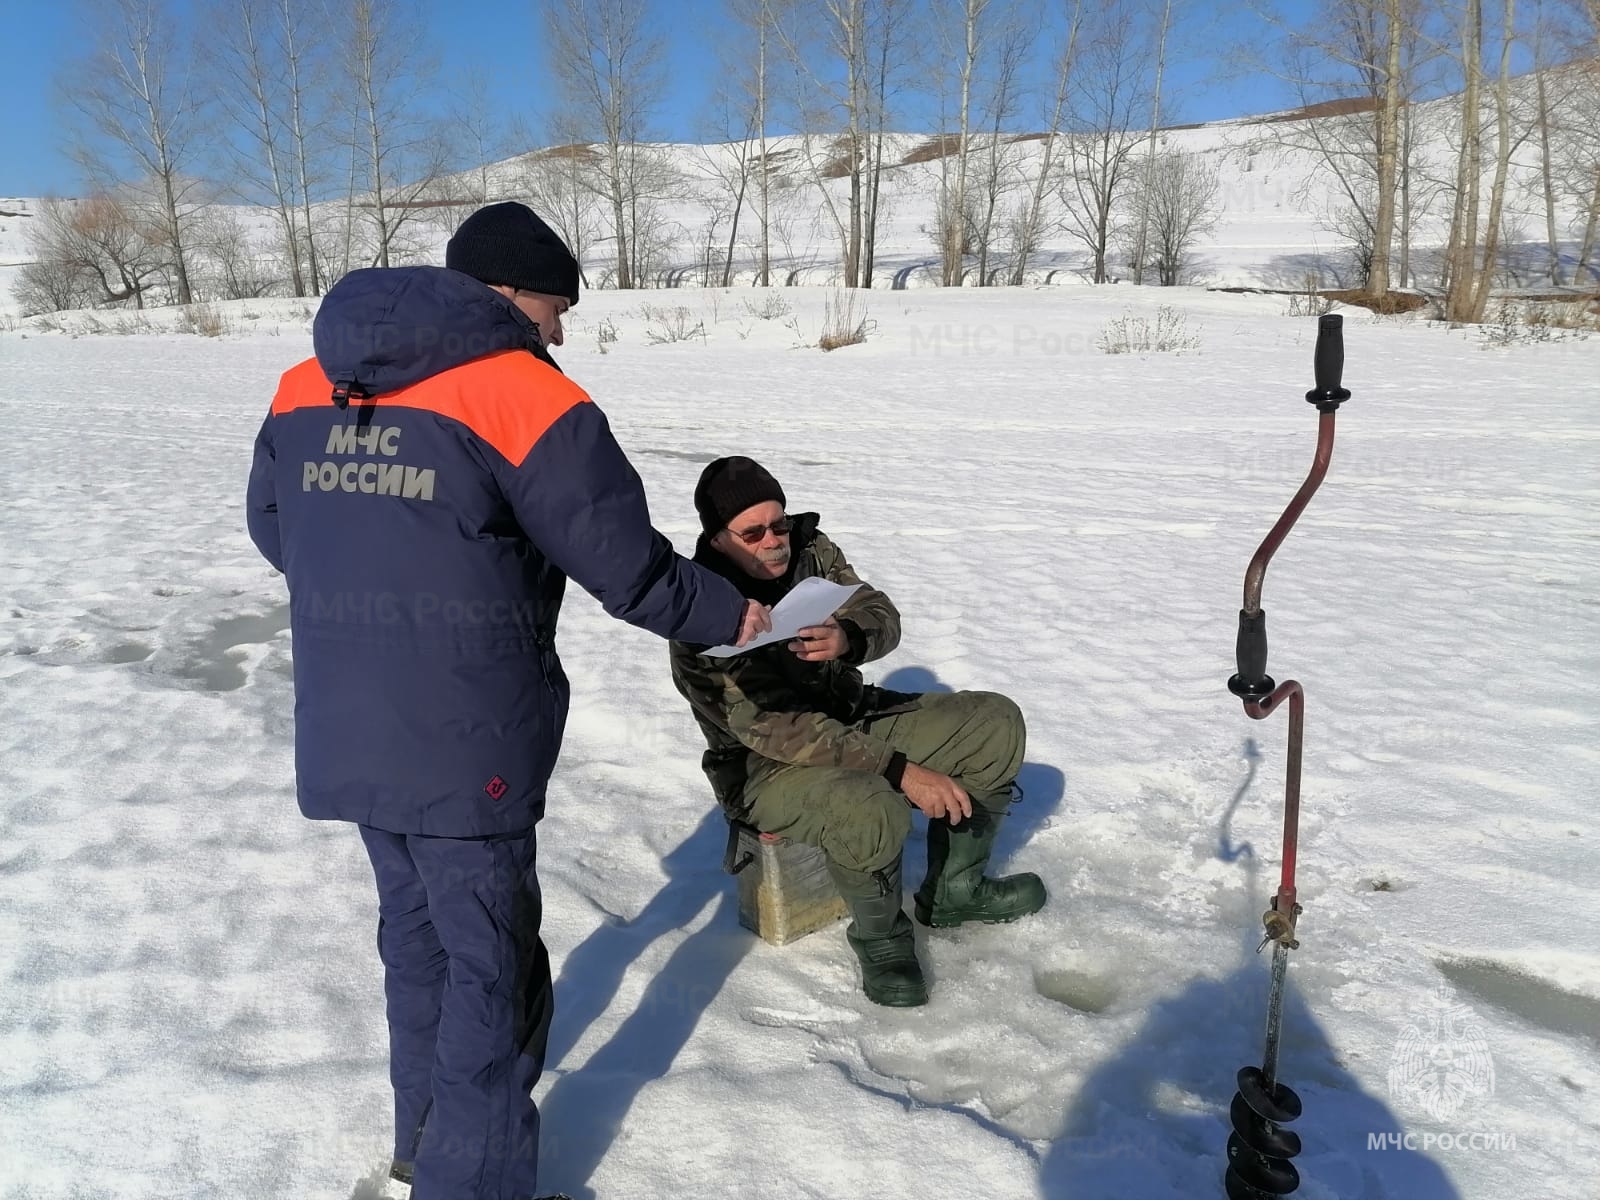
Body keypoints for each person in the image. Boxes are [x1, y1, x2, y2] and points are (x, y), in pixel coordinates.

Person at [244, 202, 771, 1200]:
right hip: (466, 729)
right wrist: (738, 613)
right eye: (554, 304)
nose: (561, 329)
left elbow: (279, 529)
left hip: (349, 718)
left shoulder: (304, 379)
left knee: (415, 940)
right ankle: (470, 1184)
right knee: (488, 967)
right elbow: (629, 571)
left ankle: (422, 1145)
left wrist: (381, 596)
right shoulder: (521, 392)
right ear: (503, 292)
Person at [668, 457, 1047, 1008]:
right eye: (753, 532)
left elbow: (878, 608)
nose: (773, 541)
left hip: (851, 714)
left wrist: (849, 635)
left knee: (994, 723)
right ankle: (882, 940)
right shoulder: (697, 610)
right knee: (868, 801)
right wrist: (902, 770)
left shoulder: (810, 550)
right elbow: (777, 729)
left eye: (779, 524)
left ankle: (954, 893)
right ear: (717, 538)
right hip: (763, 765)